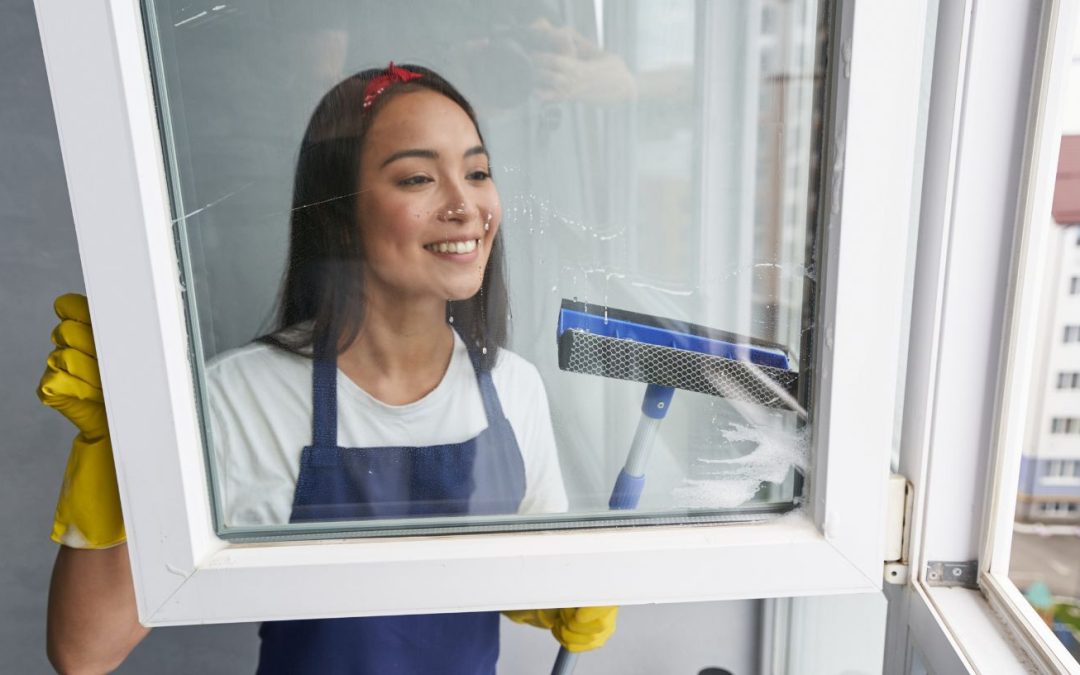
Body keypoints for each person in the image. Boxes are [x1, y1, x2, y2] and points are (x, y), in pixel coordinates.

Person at [40, 63, 617, 674]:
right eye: (419, 177)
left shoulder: (512, 387)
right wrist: (119, 453)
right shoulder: (241, 400)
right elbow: (85, 652)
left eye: (477, 172)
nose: (465, 205)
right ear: (339, 213)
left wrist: (562, 598)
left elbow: (531, 569)